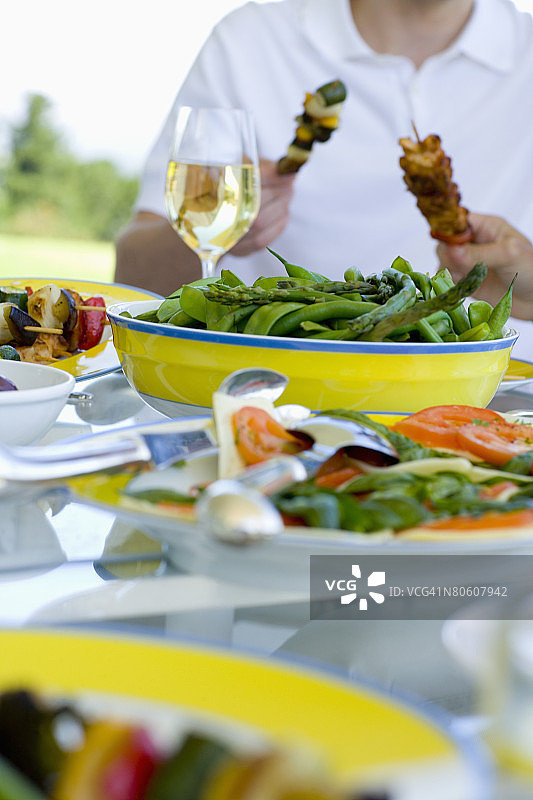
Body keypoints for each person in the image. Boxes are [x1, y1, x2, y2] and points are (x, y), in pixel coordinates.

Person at [115, 0, 533, 355]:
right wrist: (216, 227)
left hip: (496, 411)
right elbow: (132, 280)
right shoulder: (250, 41)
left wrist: (528, 291)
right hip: (263, 401)